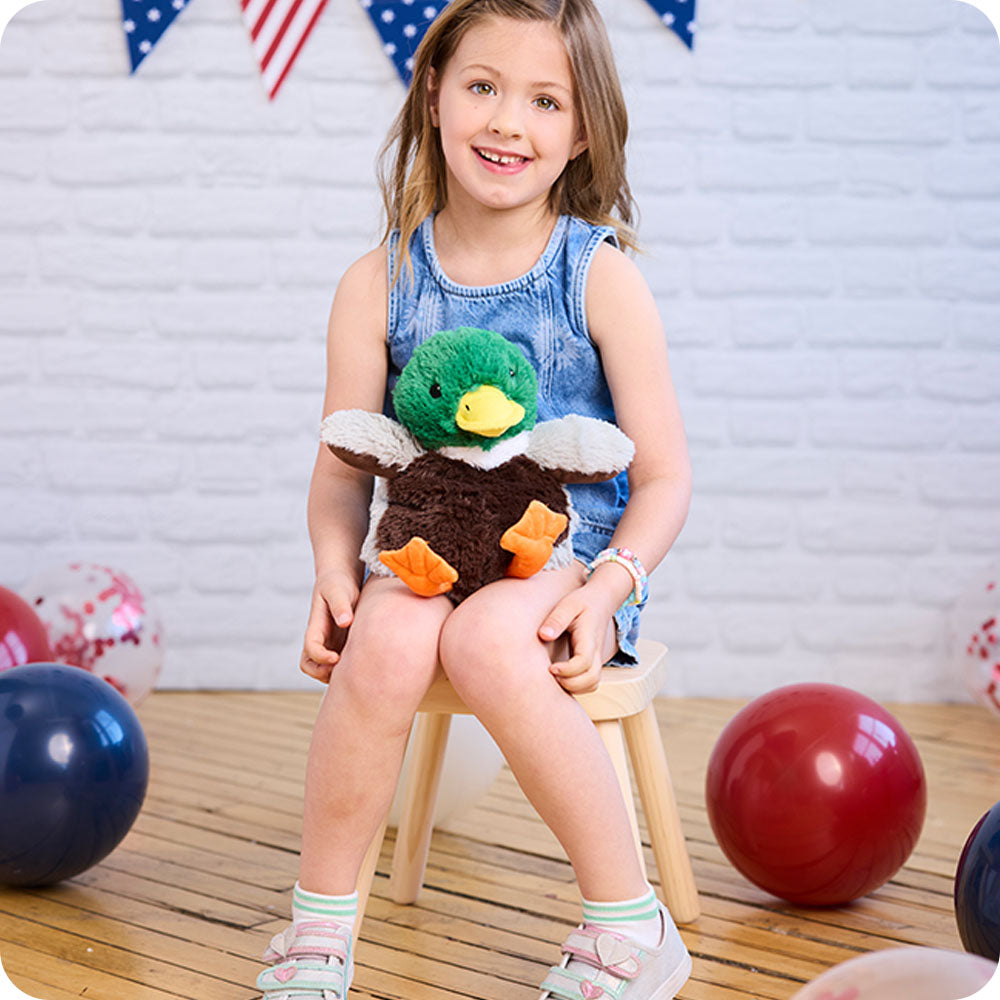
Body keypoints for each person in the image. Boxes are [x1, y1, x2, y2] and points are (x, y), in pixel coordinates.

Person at [255, 0, 692, 996]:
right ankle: (319, 928)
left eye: (545, 101)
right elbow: (342, 468)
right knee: (393, 634)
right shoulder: (378, 281)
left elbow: (663, 475)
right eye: (484, 87)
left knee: (488, 640)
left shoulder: (600, 277)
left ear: (580, 132)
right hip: (430, 542)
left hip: (566, 549)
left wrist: (608, 582)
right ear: (434, 93)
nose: (508, 122)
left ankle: (630, 922)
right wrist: (334, 572)